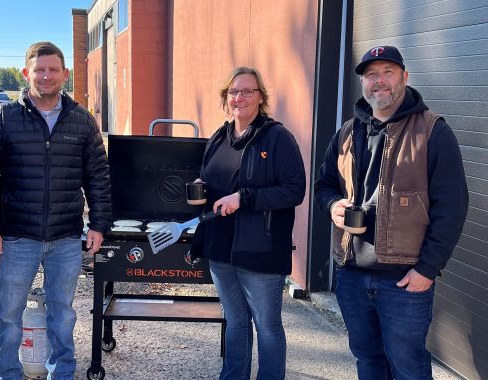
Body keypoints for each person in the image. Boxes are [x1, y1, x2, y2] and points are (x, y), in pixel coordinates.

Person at [314, 45, 469, 380]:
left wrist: (427, 270)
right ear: (363, 83)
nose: (378, 81)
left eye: (387, 72)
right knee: (368, 361)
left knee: (408, 368)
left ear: (404, 77)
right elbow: (323, 185)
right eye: (371, 74)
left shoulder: (432, 131)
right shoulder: (346, 133)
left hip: (404, 282)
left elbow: (452, 207)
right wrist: (332, 206)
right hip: (352, 275)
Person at [0, 41, 111, 379]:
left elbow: (97, 175)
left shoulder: (82, 120)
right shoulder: (3, 118)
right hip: (15, 236)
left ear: (65, 75)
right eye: (40, 69)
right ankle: (7, 372)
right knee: (9, 312)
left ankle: (61, 372)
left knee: (63, 313)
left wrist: (98, 224)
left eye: (54, 70)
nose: (47, 76)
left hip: (66, 236)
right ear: (26, 73)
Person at [191, 67, 306, 379]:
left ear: (260, 98)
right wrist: (203, 185)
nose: (239, 97)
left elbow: (295, 190)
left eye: (247, 91)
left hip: (261, 249)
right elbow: (211, 175)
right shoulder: (219, 136)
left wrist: (244, 198)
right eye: (233, 92)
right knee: (235, 320)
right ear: (225, 97)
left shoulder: (277, 137)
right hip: (220, 248)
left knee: (267, 327)